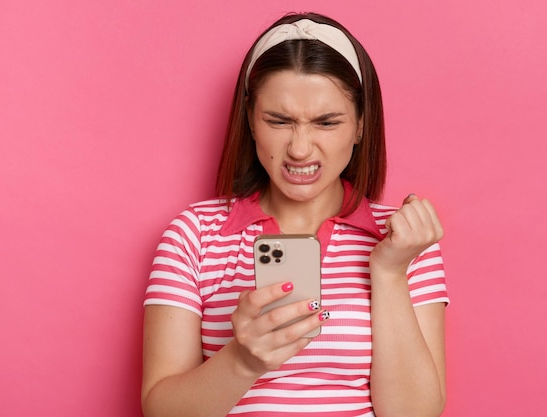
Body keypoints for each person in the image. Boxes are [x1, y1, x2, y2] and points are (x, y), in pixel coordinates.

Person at [141, 12, 448, 417]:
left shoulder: (406, 241)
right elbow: (160, 410)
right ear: (250, 121)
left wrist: (390, 272)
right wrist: (243, 362)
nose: (300, 149)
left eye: (327, 122)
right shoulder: (193, 236)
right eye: (279, 121)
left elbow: (415, 414)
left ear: (359, 126)